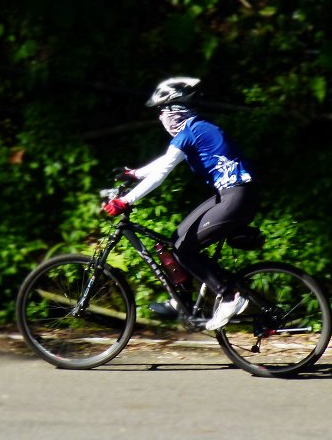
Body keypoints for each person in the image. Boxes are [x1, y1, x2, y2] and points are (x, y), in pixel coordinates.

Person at [102, 77, 258, 330]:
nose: (161, 116)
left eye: (163, 110)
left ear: (176, 108)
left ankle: (230, 296)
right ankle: (181, 301)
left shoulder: (192, 131)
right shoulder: (195, 130)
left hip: (236, 197)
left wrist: (125, 200)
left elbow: (163, 171)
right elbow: (166, 160)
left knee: (184, 249)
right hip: (230, 195)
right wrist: (135, 174)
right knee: (175, 241)